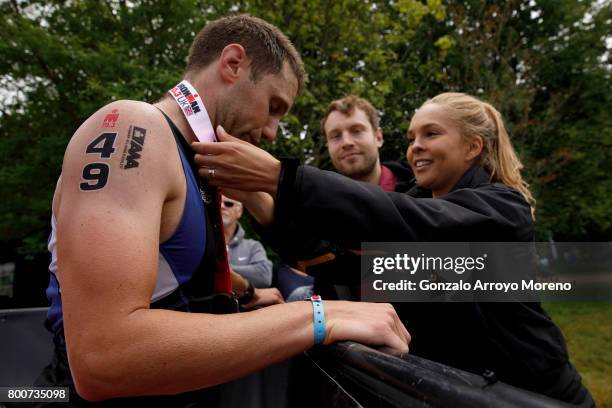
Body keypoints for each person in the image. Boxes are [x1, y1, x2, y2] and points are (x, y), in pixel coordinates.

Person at [33, 14, 410, 407]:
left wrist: (244, 294)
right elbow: (102, 358)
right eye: (274, 106)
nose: (271, 132)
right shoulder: (133, 126)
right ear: (233, 64)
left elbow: (172, 277)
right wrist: (318, 317)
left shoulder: (195, 160)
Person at [192, 92, 593, 405]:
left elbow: (408, 221)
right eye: (412, 137)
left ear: (473, 147)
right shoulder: (418, 206)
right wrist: (260, 197)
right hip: (455, 391)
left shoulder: (503, 208)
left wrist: (281, 176)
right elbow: (340, 263)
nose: (415, 146)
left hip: (535, 394)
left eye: (431, 134)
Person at [222, 195, 273, 289]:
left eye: (228, 204)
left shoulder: (253, 246)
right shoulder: (204, 242)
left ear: (239, 211)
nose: (222, 206)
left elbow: (265, 277)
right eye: (218, 203)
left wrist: (223, 270)